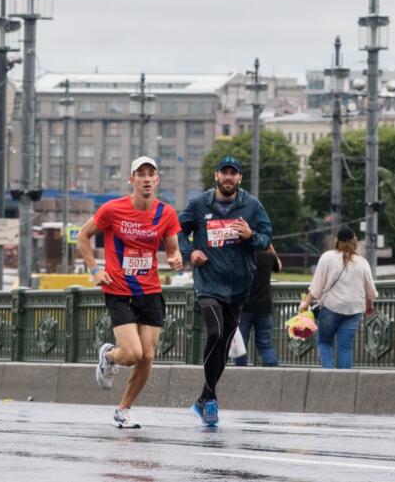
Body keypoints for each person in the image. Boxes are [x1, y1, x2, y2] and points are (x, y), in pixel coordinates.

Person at [76, 156, 183, 430]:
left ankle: (123, 409)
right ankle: (109, 355)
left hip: (150, 290)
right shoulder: (113, 210)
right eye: (141, 174)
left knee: (148, 356)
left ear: (157, 180)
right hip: (119, 290)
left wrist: (175, 258)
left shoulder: (166, 214)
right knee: (133, 353)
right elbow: (82, 236)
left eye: (151, 174)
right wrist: (94, 270)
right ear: (131, 180)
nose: (146, 178)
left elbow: (172, 248)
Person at [177, 156, 272, 426]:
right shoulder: (199, 204)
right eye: (224, 173)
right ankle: (209, 399)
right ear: (216, 176)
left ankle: (206, 398)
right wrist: (190, 251)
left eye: (234, 173)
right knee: (215, 333)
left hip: (239, 287)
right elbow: (179, 231)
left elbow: (267, 237)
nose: (228, 177)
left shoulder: (251, 206)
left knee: (224, 345)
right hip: (208, 282)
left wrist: (251, 235)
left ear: (239, 179)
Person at [299, 226, 378, 370]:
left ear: (337, 241)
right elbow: (370, 289)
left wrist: (306, 303)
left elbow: (317, 285)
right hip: (354, 310)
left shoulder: (327, 257)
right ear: (354, 241)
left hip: (331, 308)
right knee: (345, 347)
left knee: (324, 342)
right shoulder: (362, 262)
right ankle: (344, 383)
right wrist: (369, 304)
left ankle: (328, 375)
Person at [234, 244, 282, 369]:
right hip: (264, 306)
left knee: (241, 343)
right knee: (265, 344)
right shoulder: (269, 257)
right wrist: (271, 248)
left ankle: (241, 371)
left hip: (244, 307)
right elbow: (279, 267)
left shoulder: (242, 256)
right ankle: (273, 369)